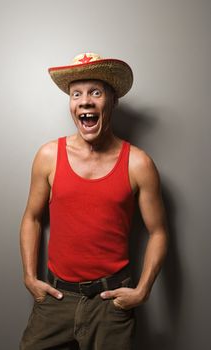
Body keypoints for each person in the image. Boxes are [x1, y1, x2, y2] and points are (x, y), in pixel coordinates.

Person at [19, 52, 168, 350]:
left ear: (113, 100)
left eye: (95, 92)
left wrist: (142, 291)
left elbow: (159, 232)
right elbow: (32, 218)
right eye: (77, 94)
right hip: (56, 298)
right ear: (71, 104)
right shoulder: (49, 156)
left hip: (111, 302)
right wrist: (30, 277)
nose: (85, 101)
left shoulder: (138, 164)